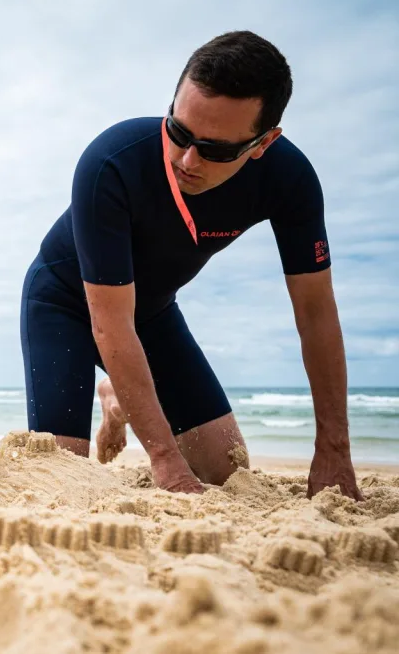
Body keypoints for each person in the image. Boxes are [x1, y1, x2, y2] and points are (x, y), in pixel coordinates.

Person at [20, 30, 363, 500]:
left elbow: (316, 312)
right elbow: (110, 324)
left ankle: (118, 399)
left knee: (226, 470)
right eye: (178, 132)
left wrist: (334, 448)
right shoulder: (111, 163)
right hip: (64, 303)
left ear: (263, 143)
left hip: (152, 314)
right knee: (61, 480)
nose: (186, 160)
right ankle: (119, 392)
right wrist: (164, 461)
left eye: (216, 150)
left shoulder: (290, 180)